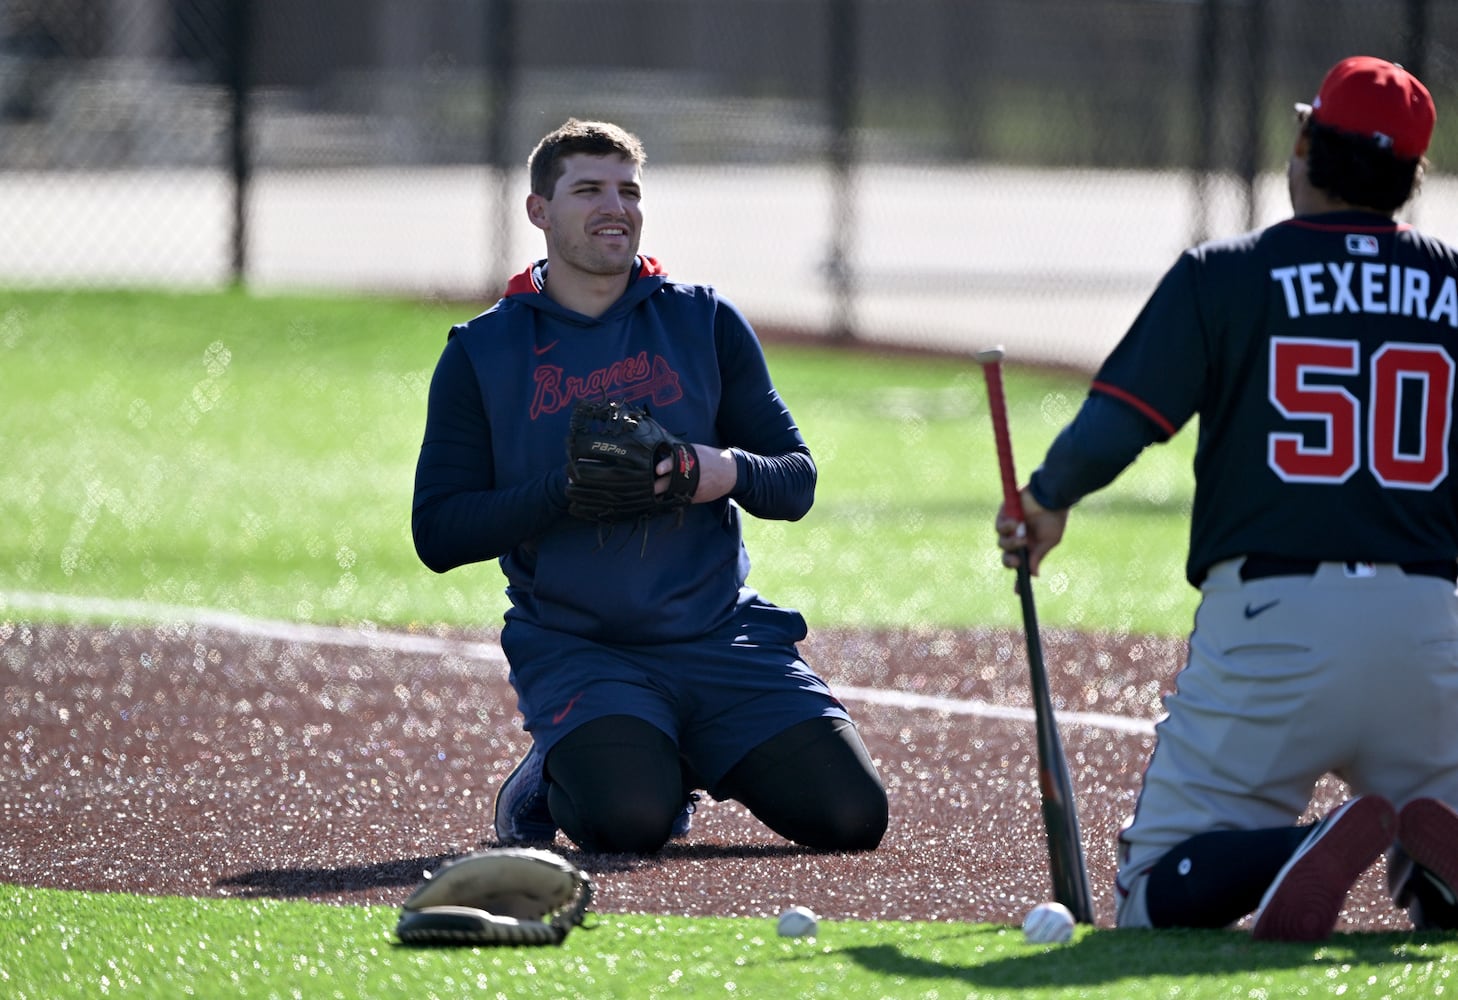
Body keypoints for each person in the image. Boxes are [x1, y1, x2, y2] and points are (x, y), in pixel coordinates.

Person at [994, 56, 1458, 940]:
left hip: (1273, 624)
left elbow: (1117, 424)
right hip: (1428, 627)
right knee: (1444, 830)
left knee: (1154, 892)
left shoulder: (1229, 272)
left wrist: (1045, 499)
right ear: (1408, 175)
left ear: (1306, 147)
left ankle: (1298, 849)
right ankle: (1436, 871)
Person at [412, 118, 888, 856]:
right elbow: (438, 533)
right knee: (630, 822)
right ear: (539, 211)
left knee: (852, 819)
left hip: (719, 637)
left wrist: (707, 471)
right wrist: (565, 492)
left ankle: (673, 748)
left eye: (629, 190)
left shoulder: (702, 320)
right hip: (583, 649)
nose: (616, 207)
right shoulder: (483, 350)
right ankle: (550, 775)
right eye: (589, 189)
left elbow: (796, 481)